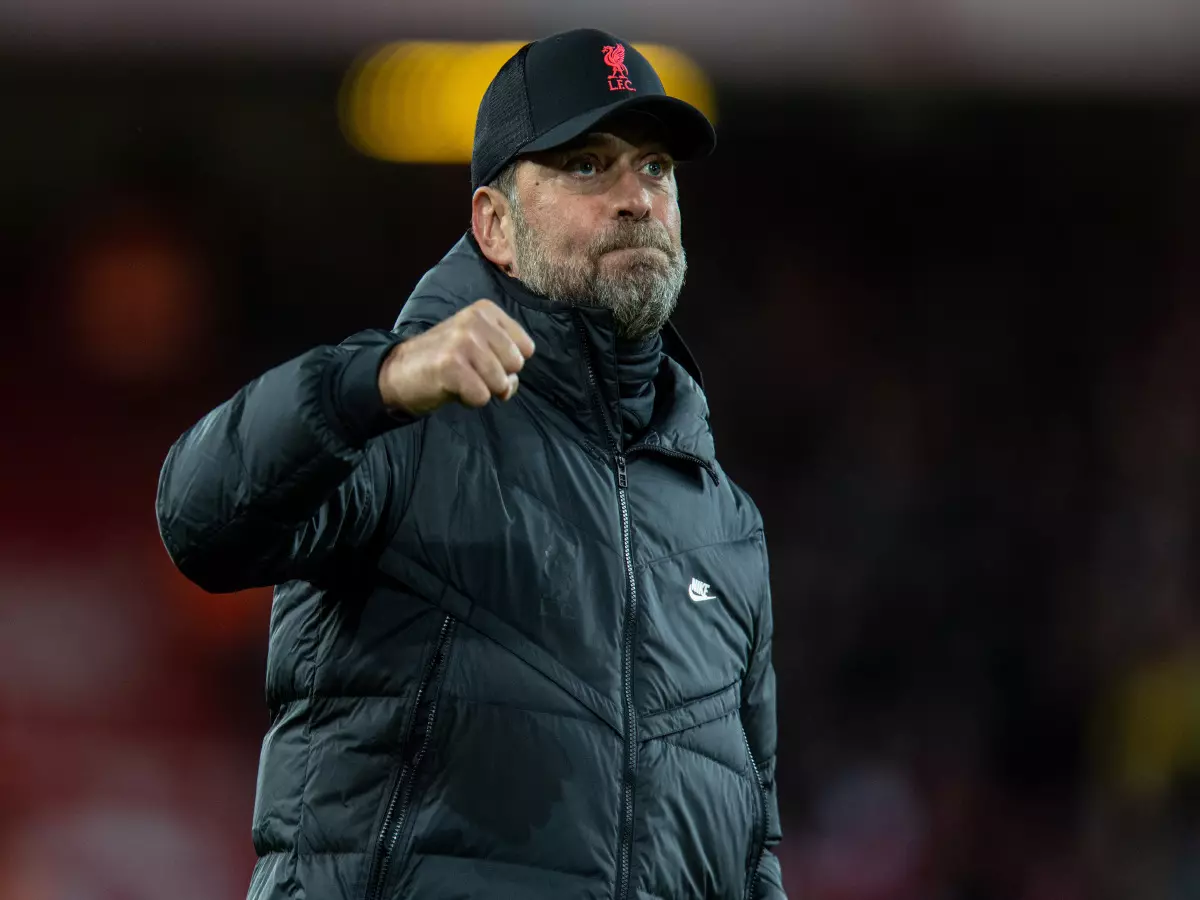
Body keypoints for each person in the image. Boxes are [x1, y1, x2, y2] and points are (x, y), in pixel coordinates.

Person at [157, 27, 786, 900]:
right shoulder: (399, 426)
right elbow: (199, 519)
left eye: (654, 168)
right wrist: (372, 383)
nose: (637, 199)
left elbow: (752, 849)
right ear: (495, 225)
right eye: (587, 166)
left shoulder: (723, 521)